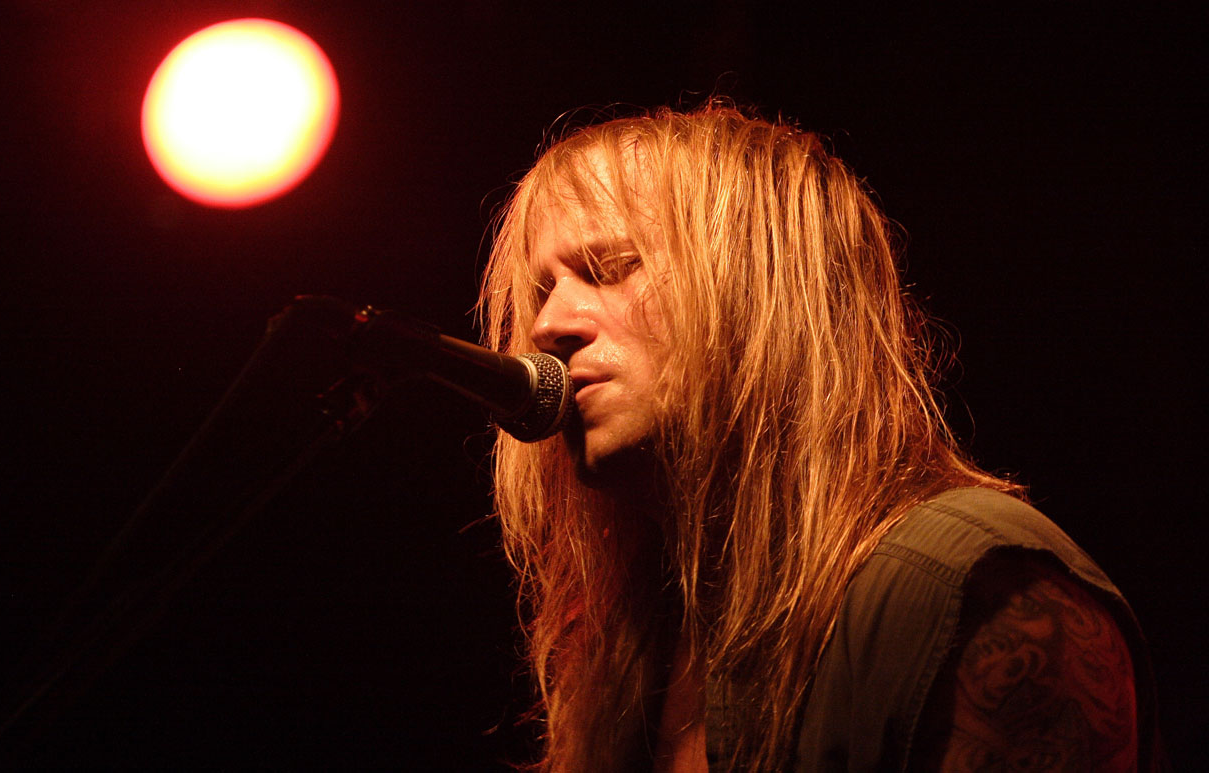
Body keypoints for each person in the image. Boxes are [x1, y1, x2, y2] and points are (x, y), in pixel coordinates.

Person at [480, 105, 1160, 772]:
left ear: (758, 291)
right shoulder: (642, 639)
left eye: (608, 267)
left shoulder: (973, 596)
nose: (548, 325)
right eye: (543, 288)